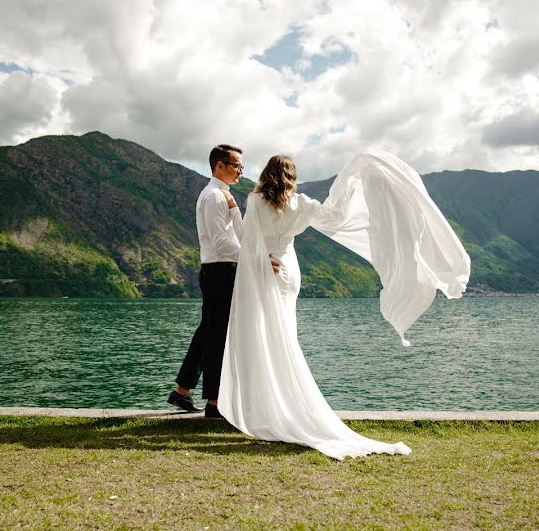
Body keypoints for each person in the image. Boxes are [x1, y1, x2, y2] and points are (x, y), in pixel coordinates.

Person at [218, 151, 471, 459]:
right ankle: (280, 407)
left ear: (266, 174)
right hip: (287, 271)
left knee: (265, 337)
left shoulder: (255, 201)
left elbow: (250, 239)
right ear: (291, 177)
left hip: (265, 270)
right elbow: (335, 217)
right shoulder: (303, 204)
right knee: (283, 336)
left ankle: (270, 409)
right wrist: (351, 184)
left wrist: (258, 258)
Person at [167, 144, 278, 418]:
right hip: (220, 271)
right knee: (219, 336)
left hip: (221, 270)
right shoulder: (214, 196)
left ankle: (181, 391)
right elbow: (220, 241)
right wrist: (255, 261)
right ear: (219, 165)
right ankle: (215, 403)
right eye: (237, 165)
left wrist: (236, 212)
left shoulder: (224, 196)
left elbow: (238, 234)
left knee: (208, 331)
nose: (241, 171)